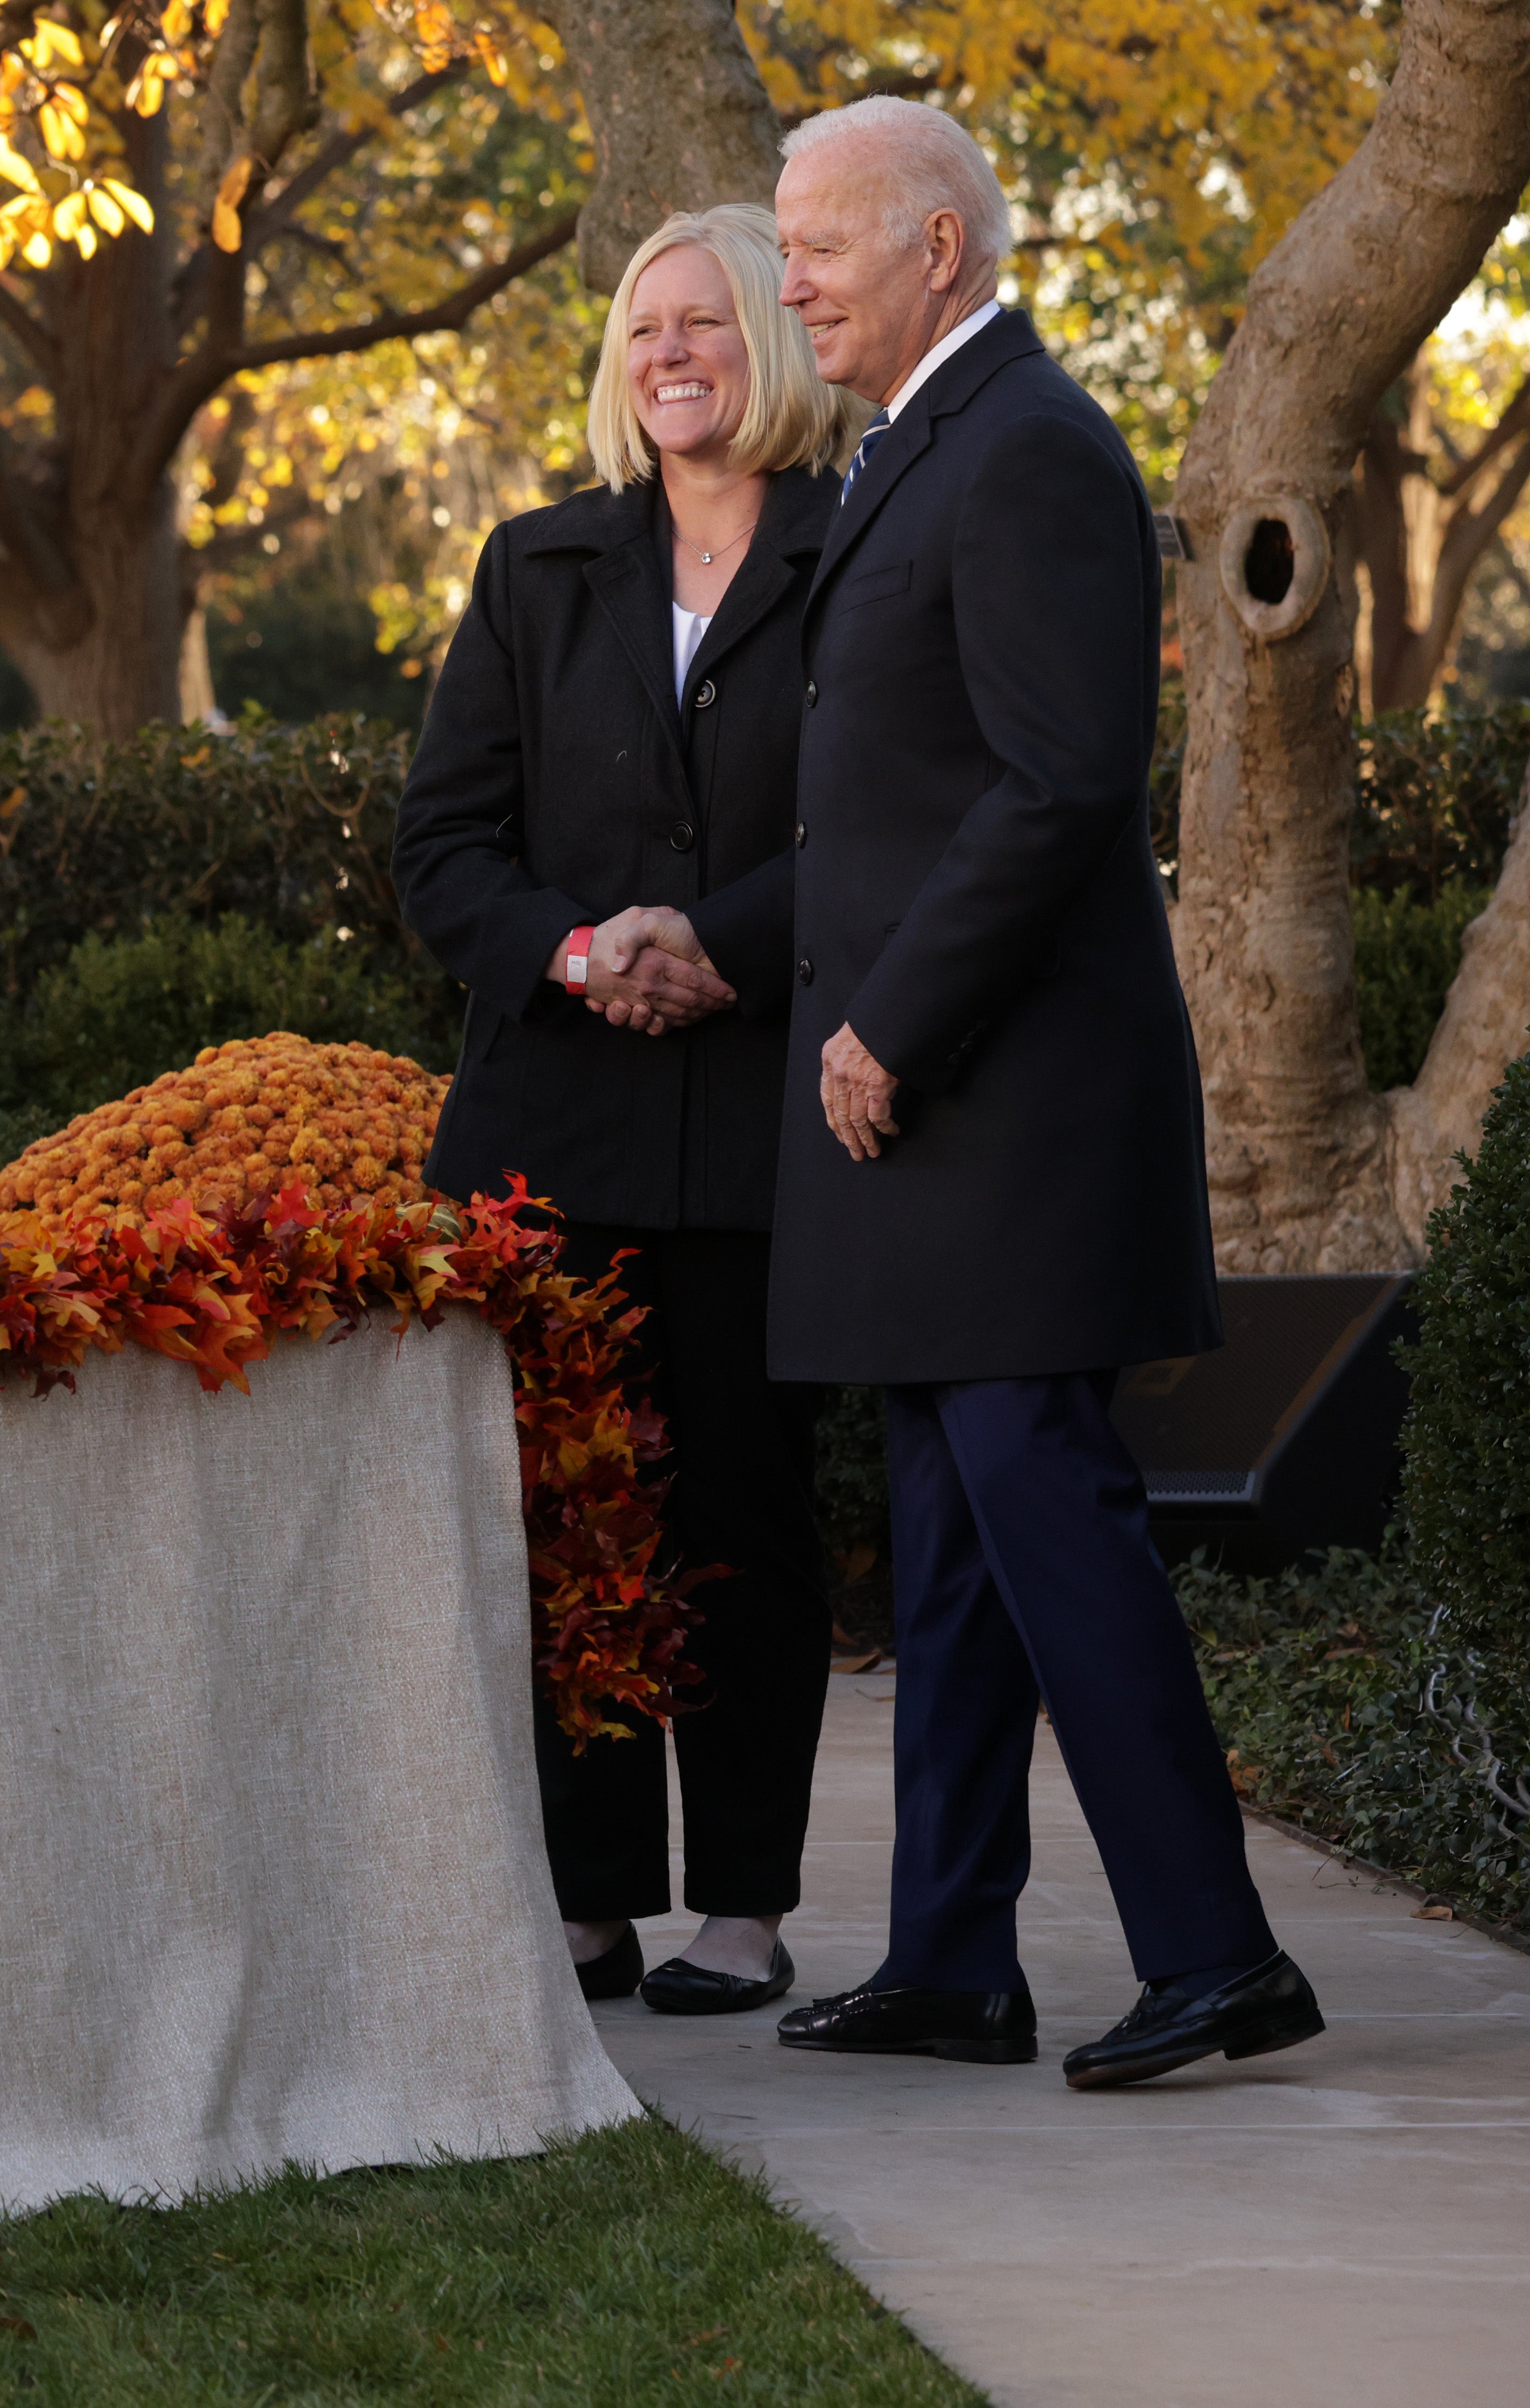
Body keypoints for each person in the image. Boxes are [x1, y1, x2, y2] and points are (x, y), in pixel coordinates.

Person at [762, 98, 1318, 2087]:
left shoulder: (1029, 452)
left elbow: (1058, 778)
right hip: (943, 1126)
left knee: (1046, 1521)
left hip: (997, 1107)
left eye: (815, 243)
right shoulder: (921, 442)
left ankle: (1213, 1944)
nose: (788, 278)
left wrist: (888, 1021)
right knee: (950, 1545)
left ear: (935, 249)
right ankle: (950, 1953)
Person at [396, 202, 863, 2017]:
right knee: (564, 1519)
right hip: (555, 1121)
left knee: (740, 1515)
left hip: (762, 1121)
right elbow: (441, 845)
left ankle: (741, 1904)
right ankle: (585, 1898)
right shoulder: (538, 567)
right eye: (642, 329)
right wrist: (581, 948)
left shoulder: (856, 549)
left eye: (707, 324)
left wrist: (714, 944)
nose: (667, 353)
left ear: (773, 340)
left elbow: (876, 829)